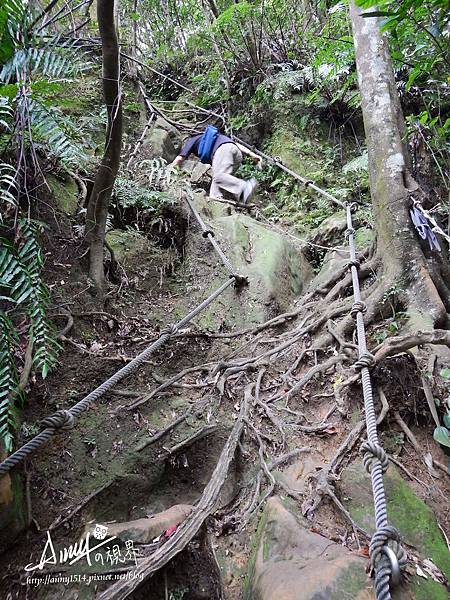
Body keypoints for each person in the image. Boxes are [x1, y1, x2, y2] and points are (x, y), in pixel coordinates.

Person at [170, 128, 262, 204]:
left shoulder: (191, 140)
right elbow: (234, 144)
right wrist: (251, 154)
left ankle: (245, 186)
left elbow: (180, 159)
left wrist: (168, 171)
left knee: (218, 177)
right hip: (237, 154)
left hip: (223, 151)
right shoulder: (215, 137)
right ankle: (221, 199)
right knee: (216, 188)